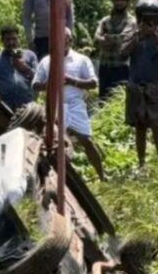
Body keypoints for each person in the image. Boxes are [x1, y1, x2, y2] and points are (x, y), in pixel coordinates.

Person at [33, 29, 105, 181]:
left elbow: (93, 83)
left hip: (75, 105)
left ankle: (102, 175)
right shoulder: (46, 61)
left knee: (87, 141)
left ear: (71, 41)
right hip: (55, 106)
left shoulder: (82, 60)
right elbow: (35, 85)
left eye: (67, 39)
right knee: (55, 143)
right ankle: (55, 178)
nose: (64, 42)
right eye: (60, 39)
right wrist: (51, 84)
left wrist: (72, 80)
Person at [121, 0, 158, 169]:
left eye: (152, 19)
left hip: (155, 86)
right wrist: (138, 37)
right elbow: (122, 54)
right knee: (139, 127)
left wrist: (156, 38)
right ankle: (141, 164)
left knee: (156, 127)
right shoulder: (132, 36)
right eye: (145, 18)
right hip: (136, 86)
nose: (149, 22)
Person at [0, 26, 38, 111]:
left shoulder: (30, 55)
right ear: (2, 41)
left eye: (14, 39)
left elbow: (38, 80)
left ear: (18, 39)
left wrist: (25, 68)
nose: (11, 42)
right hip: (4, 107)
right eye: (7, 39)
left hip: (26, 105)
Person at [95, 0, 136, 99]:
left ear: (127, 2)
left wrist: (105, 38)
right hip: (105, 66)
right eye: (117, 0)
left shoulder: (131, 21)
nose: (119, 3)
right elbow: (96, 39)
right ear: (113, 1)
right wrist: (110, 39)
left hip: (122, 67)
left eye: (122, 0)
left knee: (119, 99)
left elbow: (123, 38)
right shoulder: (105, 20)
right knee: (103, 99)